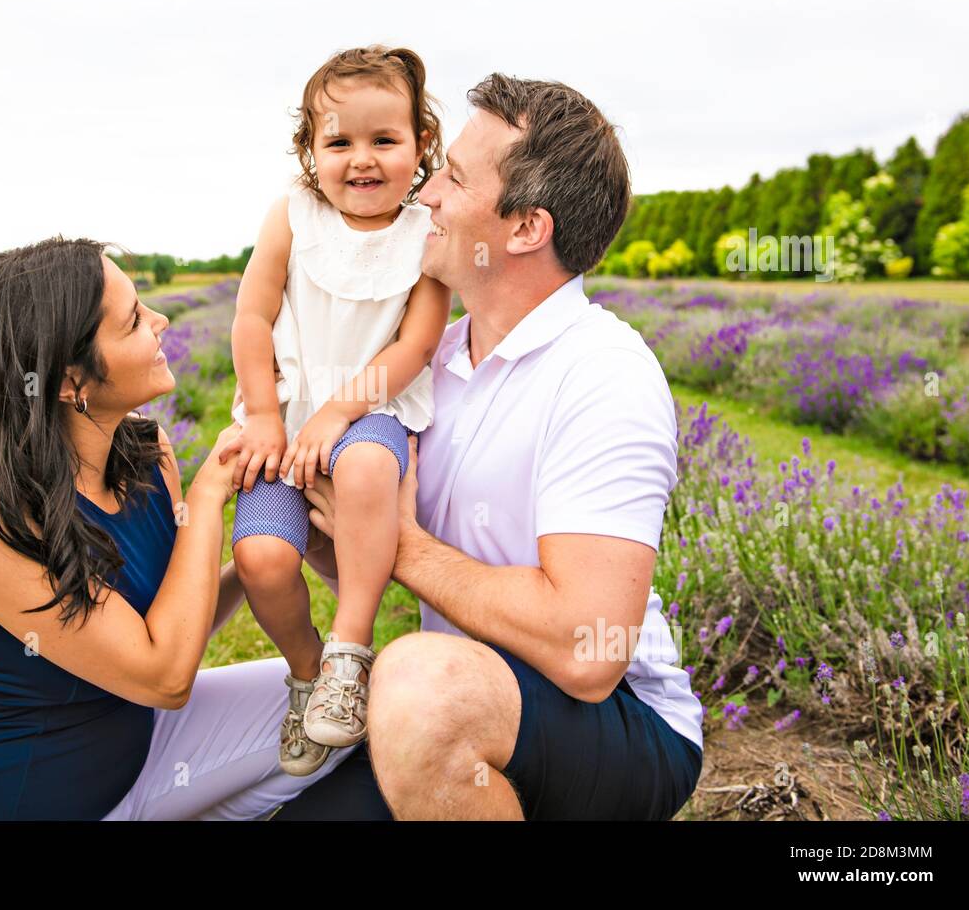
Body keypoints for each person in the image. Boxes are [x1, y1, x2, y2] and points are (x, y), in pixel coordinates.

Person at [275, 74, 704, 820]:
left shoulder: (603, 375)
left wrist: (399, 547)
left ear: (525, 228)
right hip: (472, 701)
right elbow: (354, 556)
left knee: (414, 682)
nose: (426, 193)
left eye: (455, 177)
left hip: (622, 722)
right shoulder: (423, 367)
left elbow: (587, 650)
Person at [0, 236, 364, 820]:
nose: (160, 322)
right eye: (132, 321)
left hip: (133, 755)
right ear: (68, 381)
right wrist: (209, 498)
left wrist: (275, 552)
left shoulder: (145, 451)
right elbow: (163, 677)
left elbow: (168, 625)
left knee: (361, 707)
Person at [221, 45, 452, 775]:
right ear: (309, 151)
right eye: (339, 141)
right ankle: (307, 672)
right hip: (283, 414)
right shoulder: (291, 216)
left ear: (421, 147)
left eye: (385, 140)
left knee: (358, 472)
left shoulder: (428, 237)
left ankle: (351, 653)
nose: (362, 159)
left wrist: (339, 412)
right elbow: (251, 319)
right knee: (259, 557)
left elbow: (415, 347)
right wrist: (265, 416)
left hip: (373, 407)